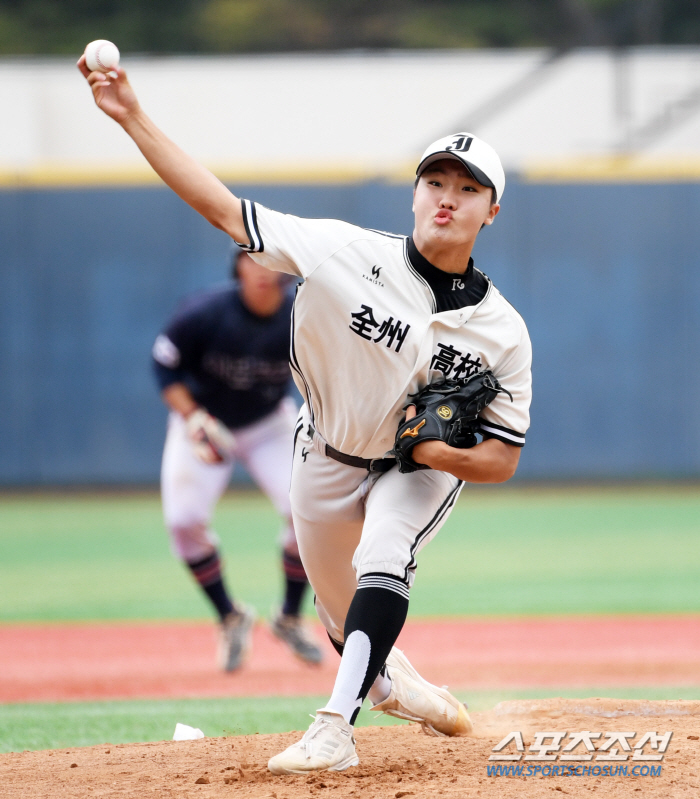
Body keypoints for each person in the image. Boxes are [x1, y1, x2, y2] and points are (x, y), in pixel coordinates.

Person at [79, 57, 532, 775]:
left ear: (491, 209)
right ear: (415, 193)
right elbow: (223, 208)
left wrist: (436, 453)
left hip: (413, 471)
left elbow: (502, 459)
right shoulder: (342, 252)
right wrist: (131, 115)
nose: (448, 197)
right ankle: (395, 685)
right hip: (322, 453)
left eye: (468, 188)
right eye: (435, 181)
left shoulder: (503, 330)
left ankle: (334, 727)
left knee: (385, 553)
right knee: (341, 615)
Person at [152, 247, 322, 670]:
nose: (262, 270)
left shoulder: (301, 316)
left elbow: (324, 375)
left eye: (271, 261)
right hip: (205, 421)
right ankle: (230, 615)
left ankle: (288, 616)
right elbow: (164, 369)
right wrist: (191, 416)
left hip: (268, 424)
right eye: (252, 259)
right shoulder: (204, 312)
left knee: (307, 513)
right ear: (238, 267)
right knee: (184, 520)